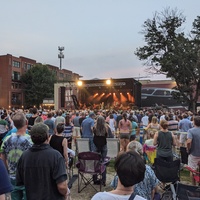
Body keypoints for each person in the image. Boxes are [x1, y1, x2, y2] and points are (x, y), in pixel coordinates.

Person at [16, 123, 68, 200]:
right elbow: (62, 186)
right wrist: (66, 193)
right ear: (47, 137)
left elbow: (20, 181)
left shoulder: (24, 156)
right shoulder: (56, 156)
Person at [1, 112, 32, 200]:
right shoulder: (30, 140)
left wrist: (7, 172)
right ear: (26, 122)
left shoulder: (6, 140)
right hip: (27, 176)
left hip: (12, 176)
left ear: (14, 124)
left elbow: (2, 159)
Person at [93, 116, 109, 186]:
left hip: (96, 144)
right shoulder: (106, 128)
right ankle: (103, 179)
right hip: (103, 144)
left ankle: (95, 178)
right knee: (103, 162)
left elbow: (93, 133)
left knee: (95, 162)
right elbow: (107, 135)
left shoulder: (94, 127)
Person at [186, 116, 200, 185]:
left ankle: (193, 185)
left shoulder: (191, 131)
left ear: (194, 122)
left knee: (192, 170)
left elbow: (189, 141)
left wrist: (188, 149)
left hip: (194, 154)